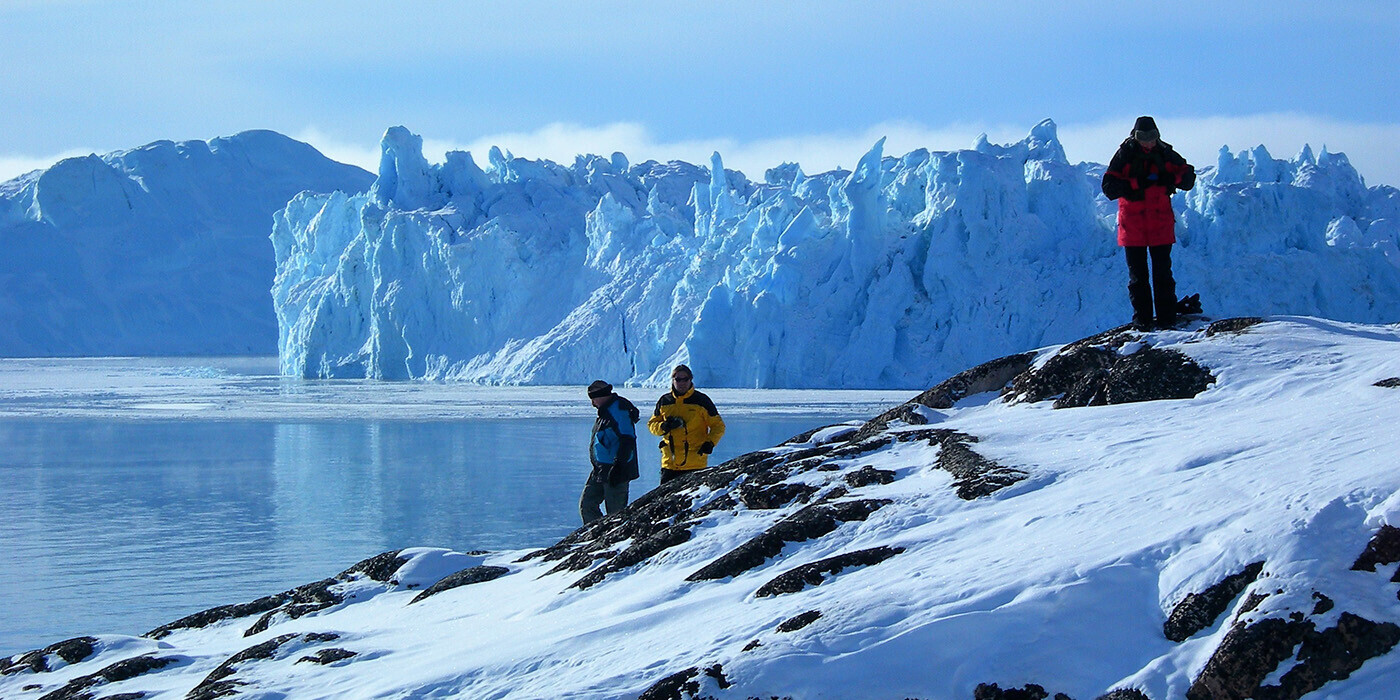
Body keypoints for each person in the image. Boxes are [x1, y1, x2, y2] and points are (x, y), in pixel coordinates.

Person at [1101, 116, 1197, 330]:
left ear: (1157, 135)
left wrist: (1172, 179)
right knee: (1138, 278)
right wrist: (1137, 183)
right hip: (1133, 227)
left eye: (1152, 136)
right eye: (1143, 137)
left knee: (1163, 275)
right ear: (1135, 136)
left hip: (1159, 225)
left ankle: (1166, 319)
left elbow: (1188, 178)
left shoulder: (1165, 153)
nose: (1148, 141)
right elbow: (1109, 187)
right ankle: (1142, 321)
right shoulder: (1125, 155)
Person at [647, 364, 726, 484]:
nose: (682, 383)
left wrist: (710, 443)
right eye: (678, 379)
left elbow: (718, 426)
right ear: (673, 380)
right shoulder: (665, 401)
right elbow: (652, 425)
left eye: (685, 379)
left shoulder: (701, 401)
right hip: (669, 464)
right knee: (666, 496)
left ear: (691, 380)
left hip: (695, 464)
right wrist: (663, 426)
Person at [580, 380, 640, 524]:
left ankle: (614, 536)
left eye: (593, 398)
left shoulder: (618, 410)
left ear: (602, 396)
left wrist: (618, 466)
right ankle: (596, 534)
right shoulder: (606, 411)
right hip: (600, 469)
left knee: (615, 514)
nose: (592, 403)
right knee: (587, 505)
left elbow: (628, 439)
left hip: (616, 471)